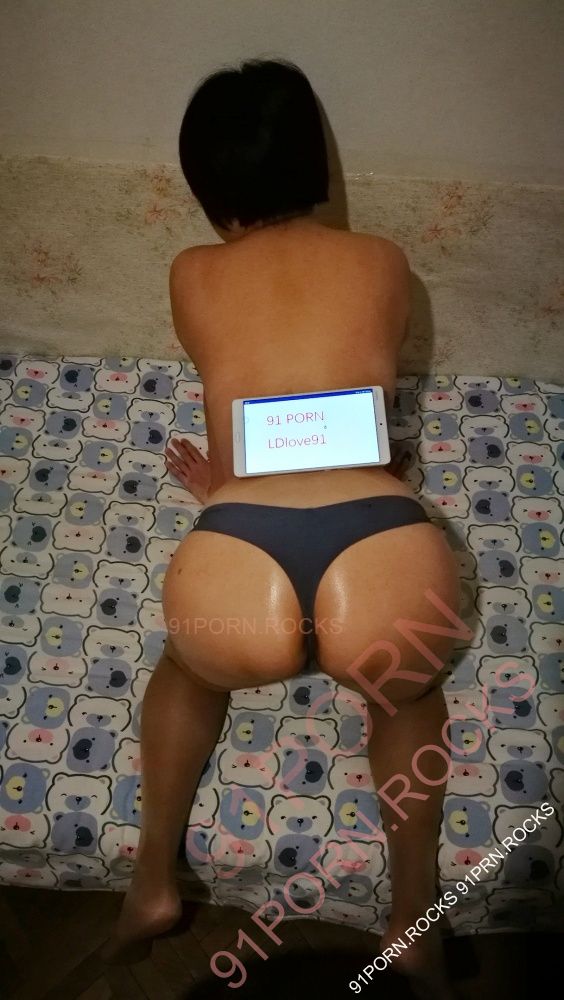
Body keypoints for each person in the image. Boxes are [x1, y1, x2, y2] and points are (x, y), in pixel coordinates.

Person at [102, 58, 461, 1000]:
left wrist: (223, 491)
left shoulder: (192, 272)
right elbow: (358, 412)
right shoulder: (384, 261)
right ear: (315, 165)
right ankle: (413, 921)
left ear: (208, 189)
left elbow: (247, 412)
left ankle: (150, 882)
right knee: (405, 692)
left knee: (189, 666)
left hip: (239, 551)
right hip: (380, 541)